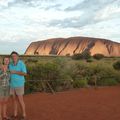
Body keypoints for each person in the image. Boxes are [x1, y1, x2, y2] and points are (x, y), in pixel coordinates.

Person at [9, 51, 27, 120]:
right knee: (14, 100)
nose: (14, 57)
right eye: (12, 56)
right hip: (12, 85)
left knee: (20, 100)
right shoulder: (10, 64)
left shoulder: (21, 64)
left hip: (19, 85)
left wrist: (15, 72)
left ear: (18, 56)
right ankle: (15, 114)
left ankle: (24, 115)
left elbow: (25, 73)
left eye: (15, 56)